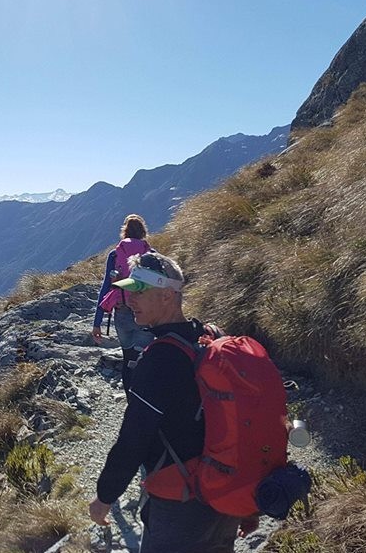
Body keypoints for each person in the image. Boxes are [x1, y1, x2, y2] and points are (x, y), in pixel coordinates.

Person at [88, 251, 254, 553]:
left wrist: (105, 497)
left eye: (139, 291)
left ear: (167, 295)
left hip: (181, 503)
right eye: (128, 291)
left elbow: (133, 440)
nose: (128, 300)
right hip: (224, 491)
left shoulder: (160, 358)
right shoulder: (208, 339)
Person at [92, 214, 154, 393]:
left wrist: (97, 324)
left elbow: (106, 288)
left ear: (124, 232)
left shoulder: (115, 254)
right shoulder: (151, 254)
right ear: (143, 232)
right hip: (145, 314)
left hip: (122, 313)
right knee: (143, 358)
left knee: (128, 359)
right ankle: (144, 400)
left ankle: (131, 401)